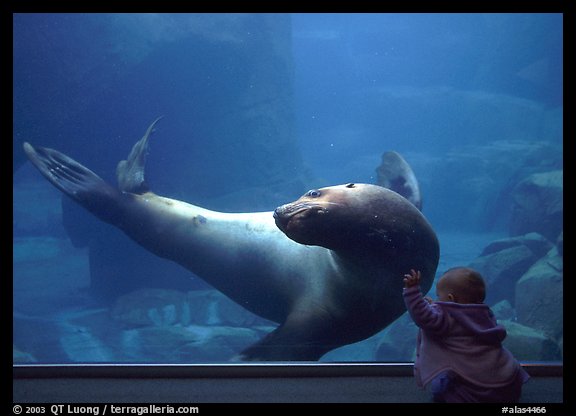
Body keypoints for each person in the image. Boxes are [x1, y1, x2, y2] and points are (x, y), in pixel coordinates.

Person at [403, 267, 530, 403]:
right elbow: (456, 313)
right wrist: (435, 306)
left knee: (444, 393)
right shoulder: (483, 313)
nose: (437, 300)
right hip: (505, 376)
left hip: (475, 387)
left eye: (439, 297)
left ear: (451, 299)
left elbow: (423, 317)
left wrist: (413, 292)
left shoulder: (446, 318)